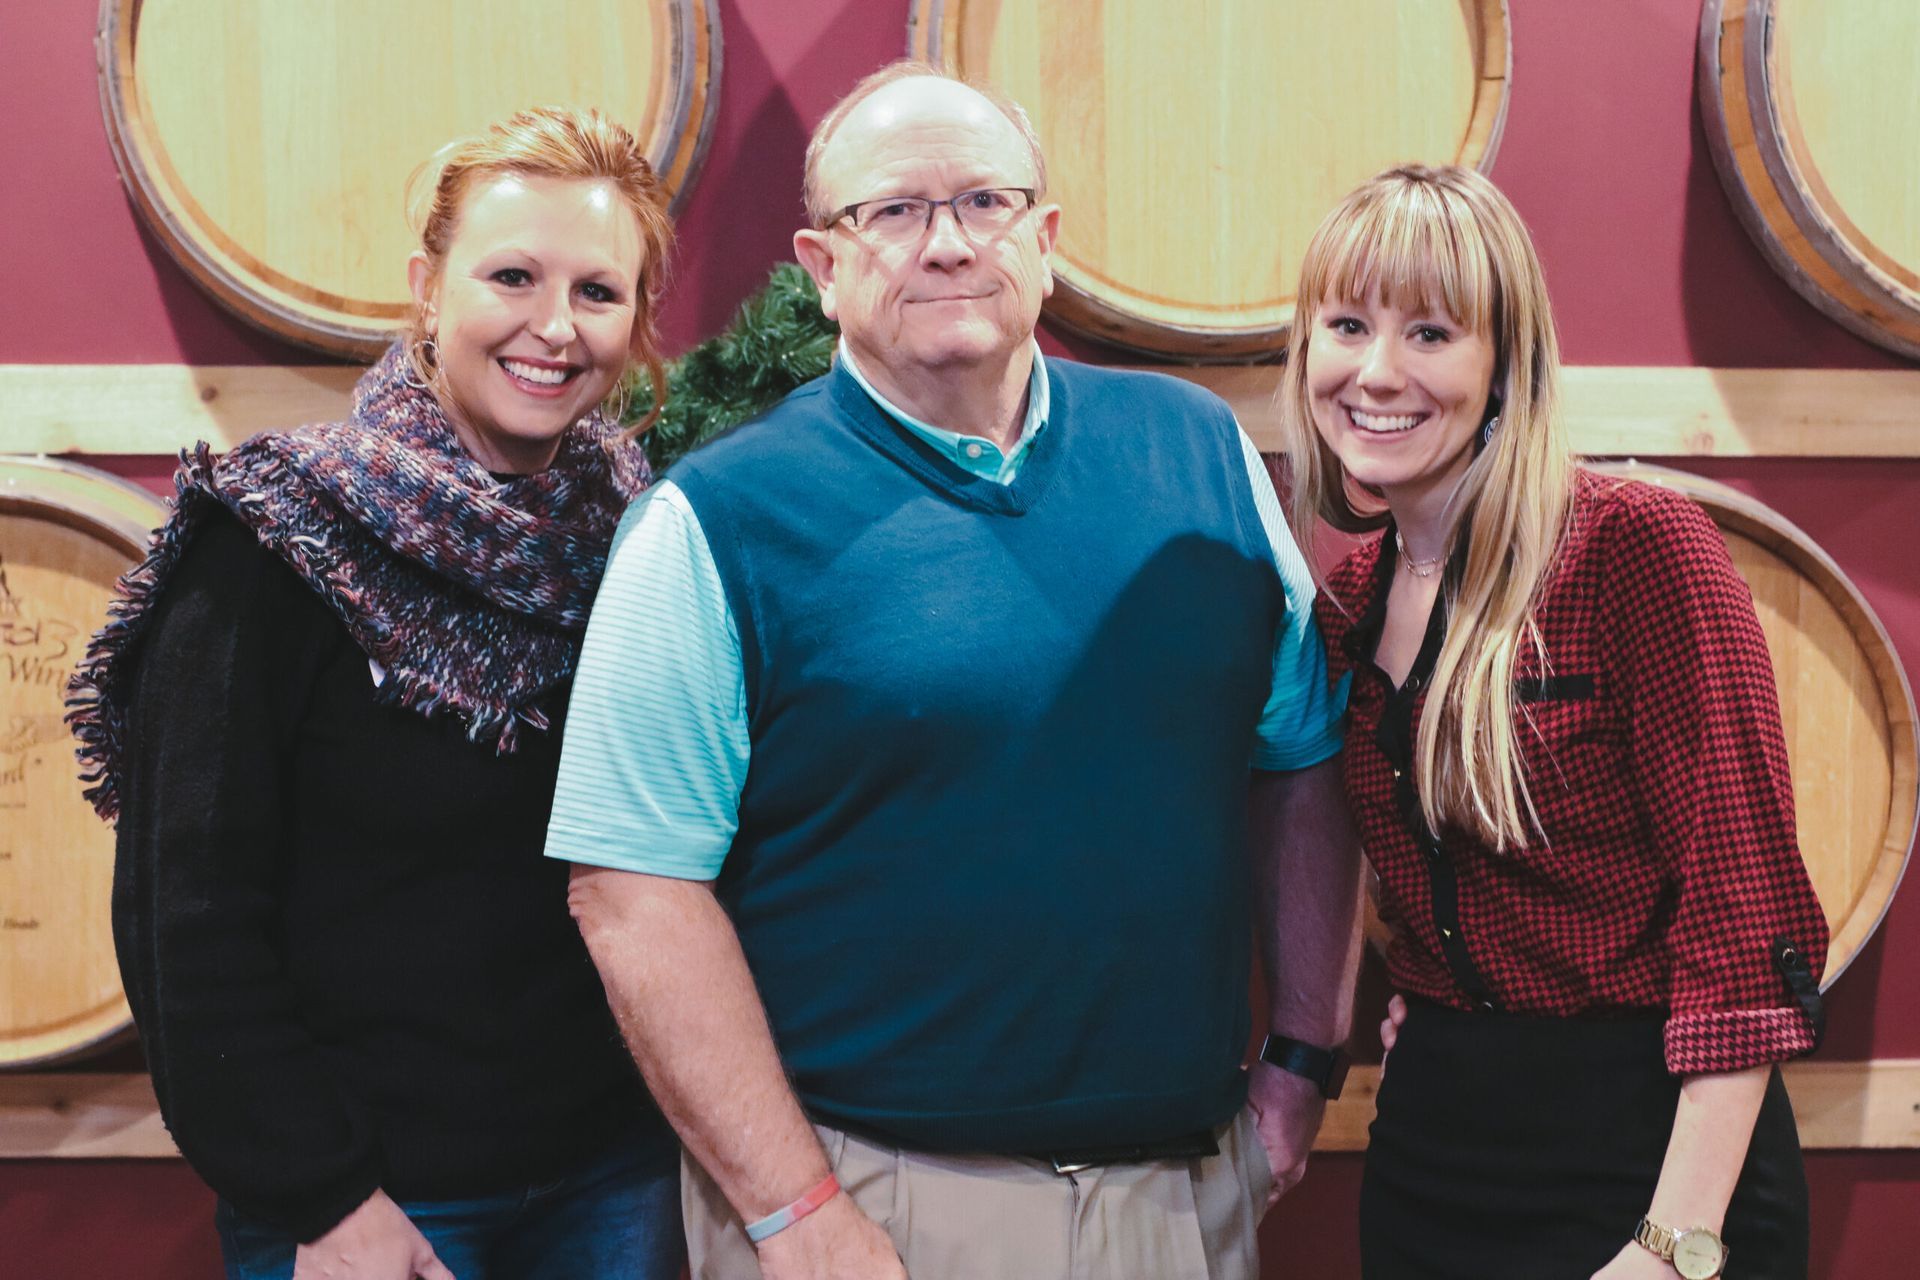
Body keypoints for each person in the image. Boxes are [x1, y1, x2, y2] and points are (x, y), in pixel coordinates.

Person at [547, 59, 1364, 1280]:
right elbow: (631, 889)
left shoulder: (1197, 449)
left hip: (1181, 1192)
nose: (947, 244)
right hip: (869, 1200)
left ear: (1043, 240)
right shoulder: (713, 520)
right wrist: (796, 1207)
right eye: (894, 212)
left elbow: (1300, 756)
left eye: (985, 204)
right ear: (822, 268)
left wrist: (1303, 1056)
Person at [67, 107, 685, 1280]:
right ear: (428, 287)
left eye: (599, 291)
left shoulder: (640, 534)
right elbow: (186, 916)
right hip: (374, 1196)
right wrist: (322, 1195)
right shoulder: (274, 538)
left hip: (613, 1175)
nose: (555, 326)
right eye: (513, 275)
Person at [1277, 164, 1829, 1280]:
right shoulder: (1344, 608)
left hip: (1653, 1155)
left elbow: (1746, 923)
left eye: (1430, 332)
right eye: (1347, 324)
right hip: (1438, 1156)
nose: (1376, 372)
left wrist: (1674, 1247)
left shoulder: (1636, 550)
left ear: (1504, 365)